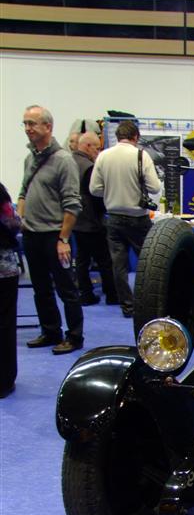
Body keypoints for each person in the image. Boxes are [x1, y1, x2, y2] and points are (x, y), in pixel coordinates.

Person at [18, 105, 84, 355]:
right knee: (41, 289)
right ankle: (50, 331)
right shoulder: (29, 159)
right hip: (31, 235)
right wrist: (21, 219)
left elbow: (72, 204)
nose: (28, 129)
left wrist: (63, 239)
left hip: (55, 236)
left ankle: (74, 336)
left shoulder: (63, 160)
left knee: (67, 289)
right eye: (25, 123)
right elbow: (23, 192)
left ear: (48, 127)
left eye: (32, 123)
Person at [89, 119, 161, 318]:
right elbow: (155, 187)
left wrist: (111, 191)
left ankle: (127, 306)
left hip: (113, 217)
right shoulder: (141, 155)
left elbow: (94, 189)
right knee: (147, 263)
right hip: (138, 217)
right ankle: (149, 303)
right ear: (135, 137)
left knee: (118, 265)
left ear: (117, 136)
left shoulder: (103, 156)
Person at [72, 132, 118, 306]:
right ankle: (112, 294)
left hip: (75, 220)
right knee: (105, 260)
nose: (98, 152)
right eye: (97, 148)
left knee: (82, 260)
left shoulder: (68, 162)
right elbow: (96, 196)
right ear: (87, 146)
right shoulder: (89, 167)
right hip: (91, 221)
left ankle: (85, 294)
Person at [0, 183, 21, 397]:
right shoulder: (1, 195)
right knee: (5, 324)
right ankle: (4, 381)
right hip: (4, 270)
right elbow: (14, 223)